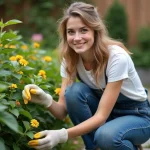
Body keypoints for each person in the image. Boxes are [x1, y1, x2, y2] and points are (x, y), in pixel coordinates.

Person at [22, 2, 150, 150]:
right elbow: (62, 112)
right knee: (73, 92)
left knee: (106, 136)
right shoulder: (70, 59)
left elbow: (101, 116)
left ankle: (119, 140)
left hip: (137, 116)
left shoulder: (116, 57)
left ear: (95, 31)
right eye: (71, 32)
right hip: (106, 116)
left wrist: (61, 135)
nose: (77, 38)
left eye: (83, 30)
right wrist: (45, 100)